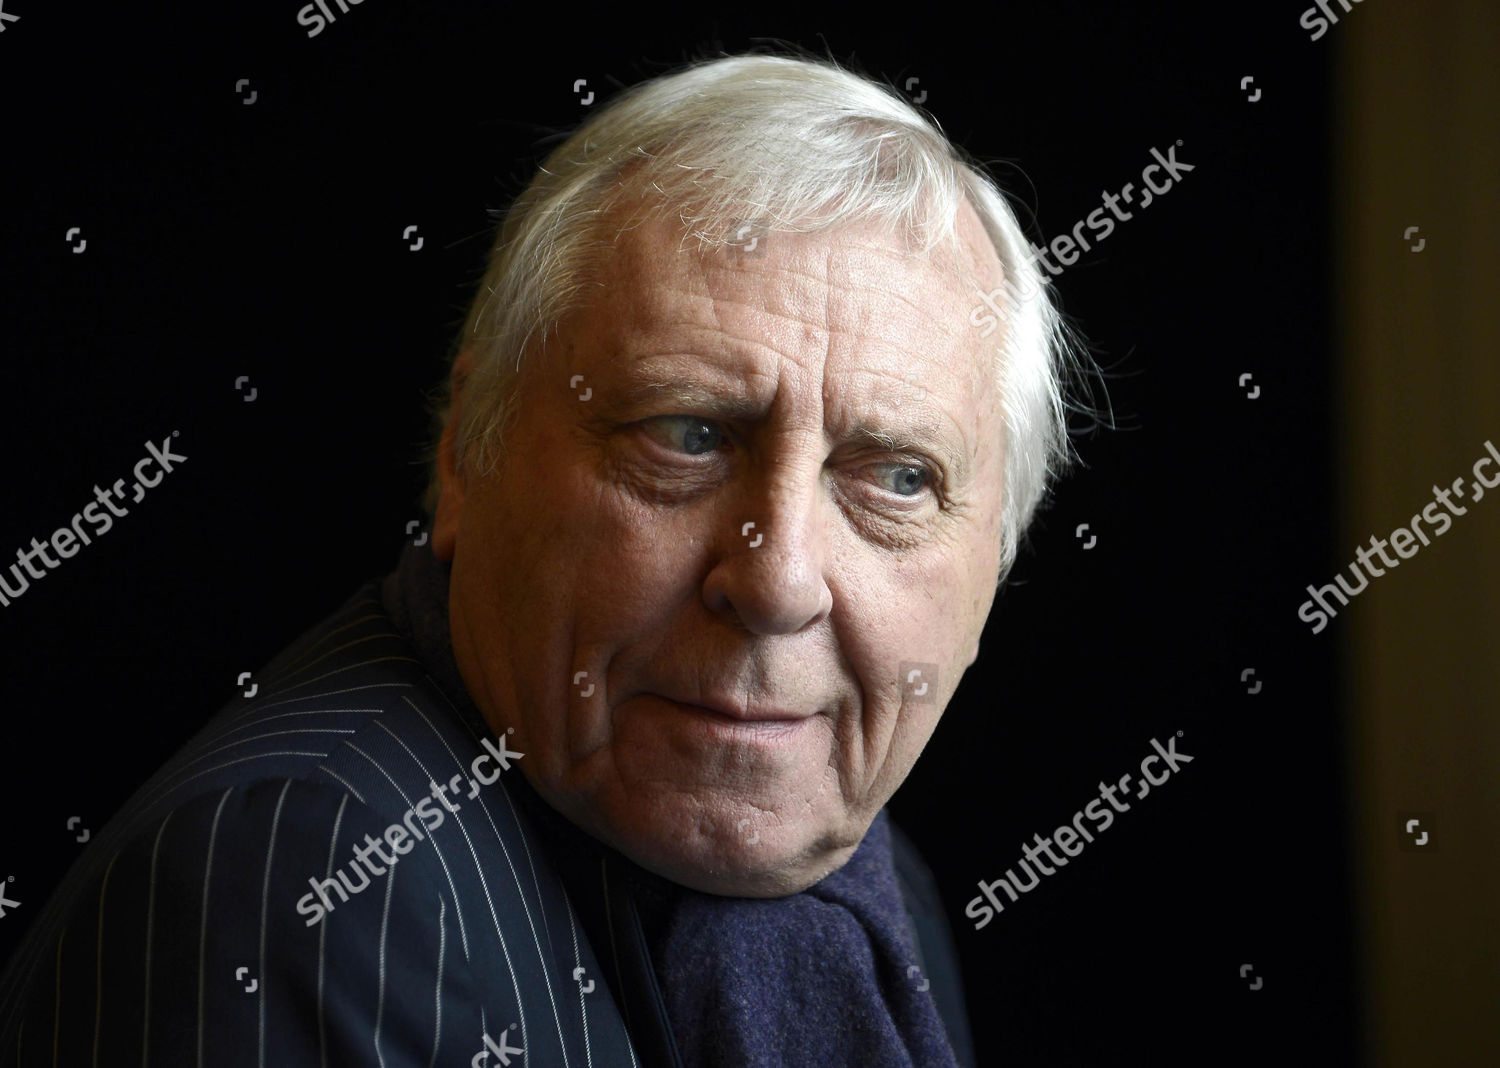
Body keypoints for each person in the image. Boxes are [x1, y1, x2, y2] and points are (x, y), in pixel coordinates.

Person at [0, 49, 1083, 1067]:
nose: (776, 581)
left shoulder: (878, 894)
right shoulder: (296, 884)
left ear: (995, 554)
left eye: (896, 479)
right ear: (468, 449)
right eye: (686, 433)